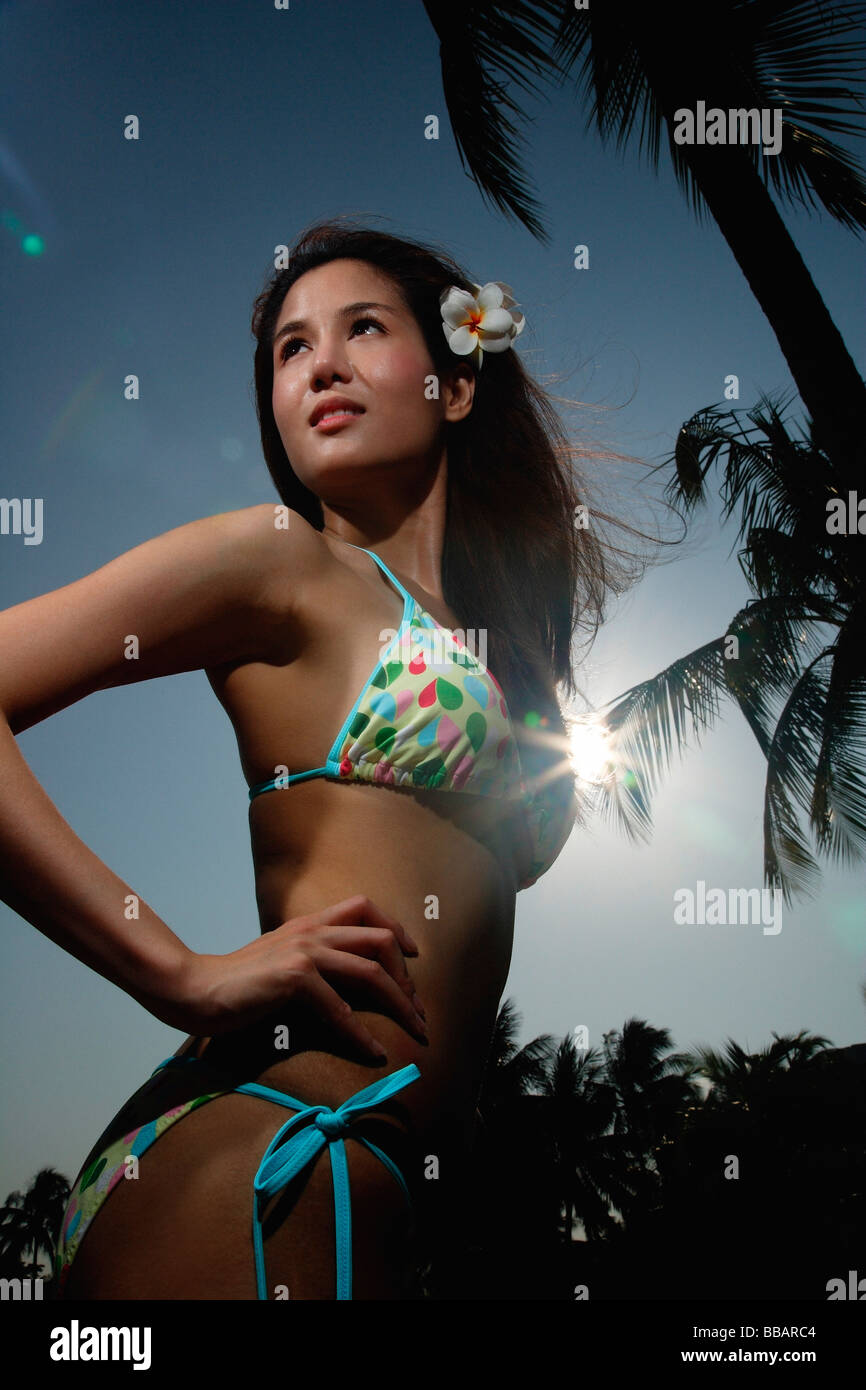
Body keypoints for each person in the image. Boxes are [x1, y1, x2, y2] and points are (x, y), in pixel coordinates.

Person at [0, 220, 636, 1299]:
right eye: (290, 349)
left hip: (369, 1195)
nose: (320, 364)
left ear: (454, 388)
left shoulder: (499, 655)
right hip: (263, 1167)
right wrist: (179, 973)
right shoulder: (279, 561)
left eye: (362, 328)